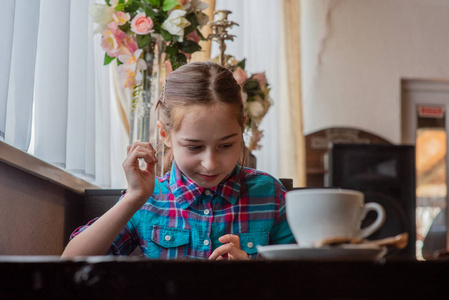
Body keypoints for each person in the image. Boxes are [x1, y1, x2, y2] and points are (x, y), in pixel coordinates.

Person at [61, 61, 295, 260]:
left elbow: (304, 278)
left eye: (225, 145)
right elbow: (69, 264)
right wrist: (133, 198)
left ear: (242, 126)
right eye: (194, 147)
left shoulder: (270, 194)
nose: (210, 163)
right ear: (165, 134)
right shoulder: (147, 200)